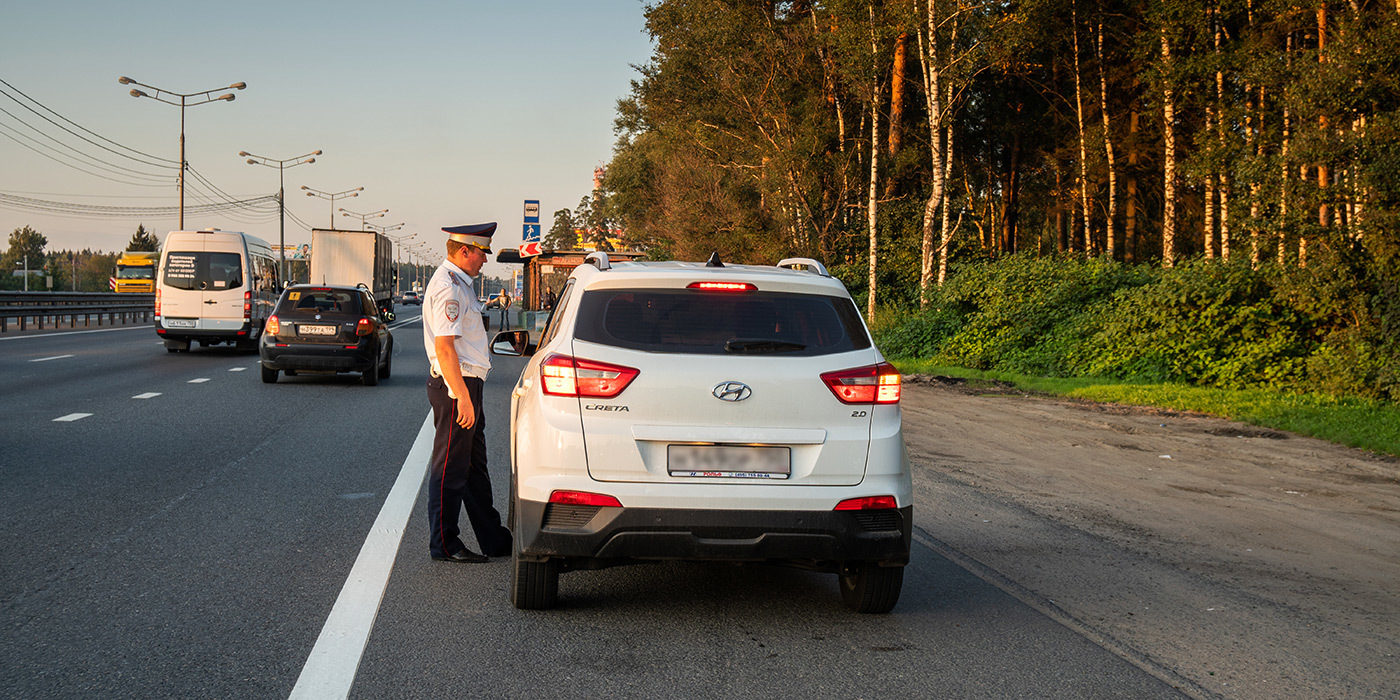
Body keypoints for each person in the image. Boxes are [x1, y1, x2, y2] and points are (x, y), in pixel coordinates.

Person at [421, 222, 512, 563]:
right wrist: (461, 397)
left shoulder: (461, 284)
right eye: (481, 254)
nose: (484, 261)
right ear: (464, 251)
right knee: (450, 468)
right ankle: (444, 543)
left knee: (474, 466)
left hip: (467, 383)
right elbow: (445, 349)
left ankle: (493, 538)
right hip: (456, 385)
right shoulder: (449, 288)